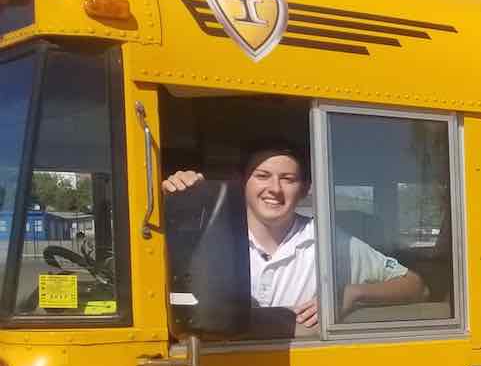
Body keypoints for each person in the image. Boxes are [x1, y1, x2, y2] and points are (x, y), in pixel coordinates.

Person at [161, 140, 425, 329]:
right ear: (243, 182)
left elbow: (415, 285)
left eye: (288, 179)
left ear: (305, 188)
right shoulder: (211, 234)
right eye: (262, 176)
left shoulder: (327, 240)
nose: (274, 188)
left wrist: (351, 294)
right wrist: (182, 198)